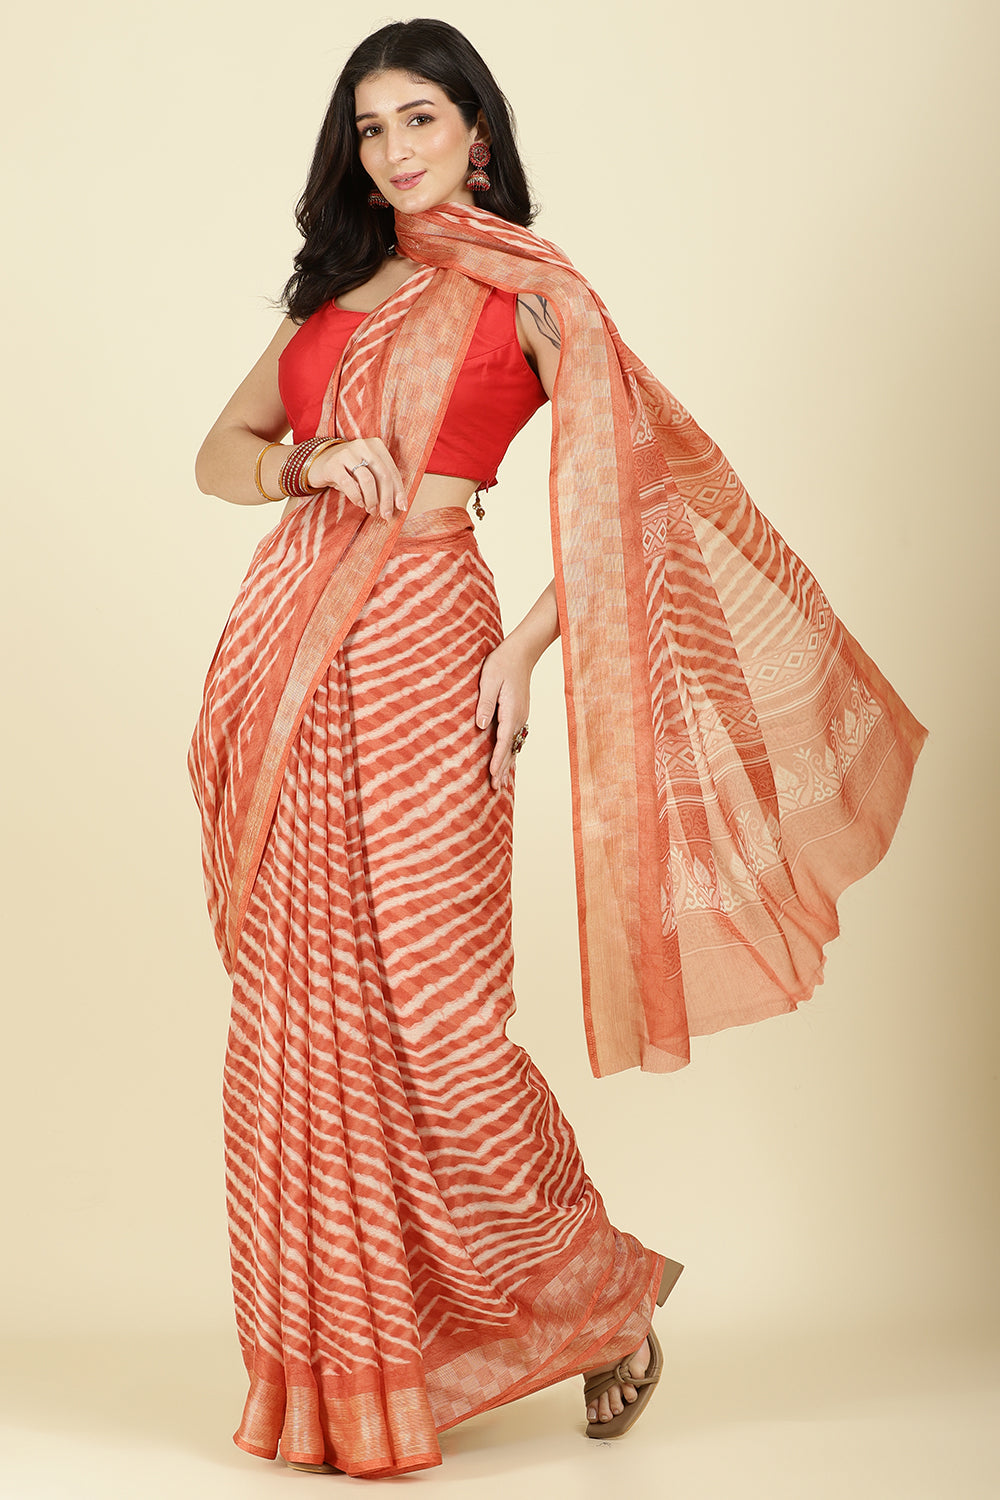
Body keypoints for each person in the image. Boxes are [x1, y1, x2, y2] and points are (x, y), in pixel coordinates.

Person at [189, 17, 926, 1481]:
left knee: (441, 1029)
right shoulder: (332, 294)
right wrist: (304, 458)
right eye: (369, 128)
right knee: (306, 1025)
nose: (393, 150)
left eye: (418, 118)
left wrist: (522, 650)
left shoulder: (534, 296)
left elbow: (625, 504)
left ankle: (607, 1299)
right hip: (285, 656)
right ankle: (358, 1379)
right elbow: (219, 455)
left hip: (427, 649)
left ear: (477, 130)